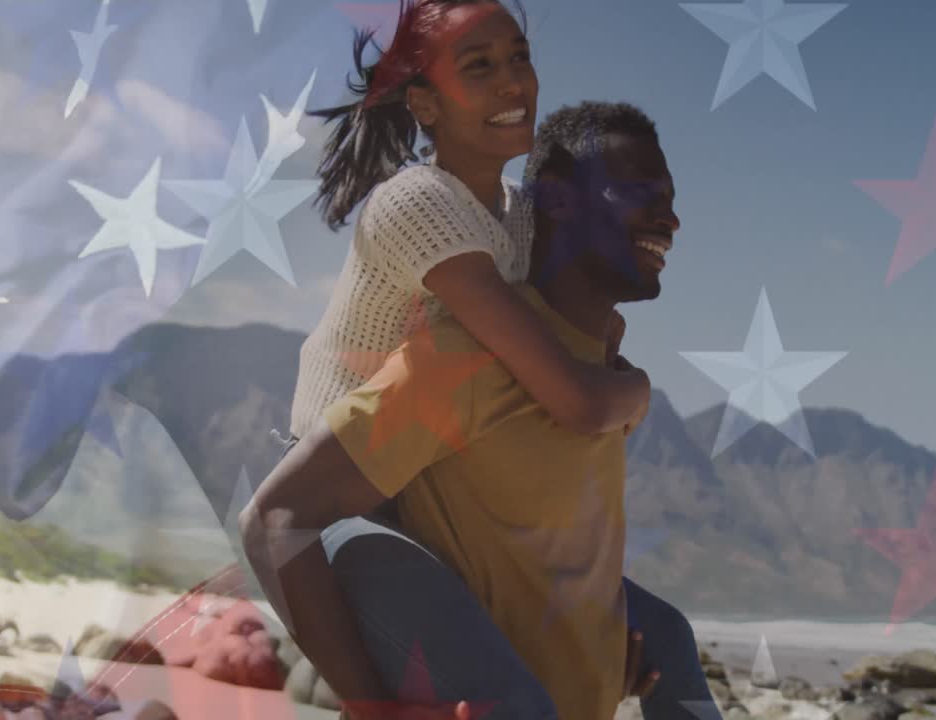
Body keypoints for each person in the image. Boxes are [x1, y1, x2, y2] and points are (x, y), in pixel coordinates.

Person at [241, 97, 721, 720]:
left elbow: (526, 568)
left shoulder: (605, 372)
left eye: (671, 197)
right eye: (638, 191)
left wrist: (598, 656)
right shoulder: (464, 359)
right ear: (556, 198)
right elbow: (275, 519)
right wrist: (372, 708)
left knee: (671, 640)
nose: (671, 219)